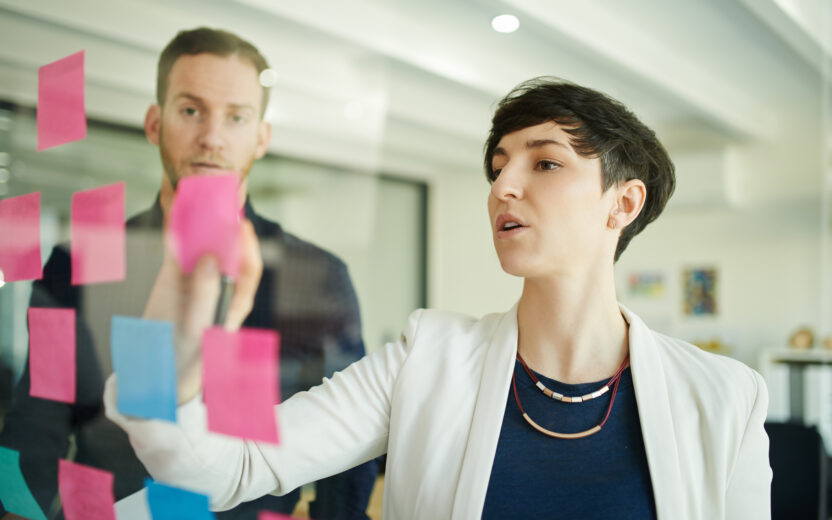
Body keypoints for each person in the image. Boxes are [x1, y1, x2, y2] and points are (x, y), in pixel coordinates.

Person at [104, 78, 772, 519]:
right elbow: (226, 469)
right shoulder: (423, 360)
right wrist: (165, 348)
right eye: (497, 166)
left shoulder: (725, 398)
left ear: (622, 204)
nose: (503, 186)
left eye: (543, 162)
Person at [0, 28, 377, 520]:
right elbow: (36, 423)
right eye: (191, 110)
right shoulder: (75, 263)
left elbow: (346, 454)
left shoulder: (318, 276)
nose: (212, 137)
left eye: (236, 116)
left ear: (261, 137)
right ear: (155, 123)